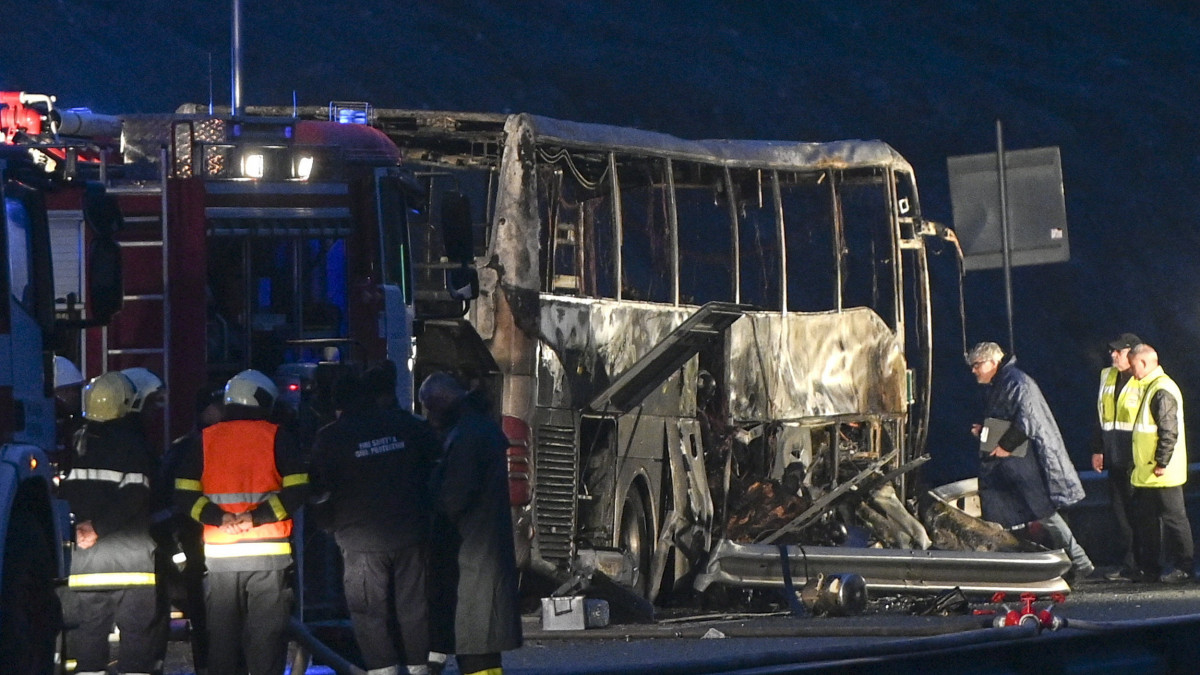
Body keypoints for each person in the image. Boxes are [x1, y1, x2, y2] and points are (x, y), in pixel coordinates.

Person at [174, 369, 309, 675]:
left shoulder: (204, 441)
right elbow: (298, 489)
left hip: (221, 560)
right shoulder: (277, 437)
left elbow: (183, 495)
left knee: (223, 642)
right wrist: (255, 517)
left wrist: (219, 518)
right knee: (266, 641)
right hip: (269, 559)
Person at [310, 363, 440, 675]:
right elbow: (436, 467)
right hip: (411, 533)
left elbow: (316, 492)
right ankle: (420, 669)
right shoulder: (408, 425)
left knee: (369, 613)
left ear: (338, 406)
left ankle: (384, 670)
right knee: (414, 607)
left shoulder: (331, 438)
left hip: (359, 539)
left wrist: (330, 526)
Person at [58, 371, 165, 675]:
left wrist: (82, 529)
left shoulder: (74, 442)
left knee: (89, 638)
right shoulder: (133, 443)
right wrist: (99, 528)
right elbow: (136, 496)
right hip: (132, 564)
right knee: (137, 640)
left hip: (88, 563)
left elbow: (63, 493)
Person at [418, 372, 522, 675]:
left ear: (442, 401)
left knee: (476, 645)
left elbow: (452, 498)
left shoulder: (466, 437)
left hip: (473, 557)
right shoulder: (476, 428)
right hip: (482, 553)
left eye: (430, 406)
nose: (429, 415)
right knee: (479, 647)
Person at [967, 341, 1096, 579]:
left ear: (993, 362)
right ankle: (1015, 567)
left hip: (1021, 461)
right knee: (1008, 516)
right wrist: (985, 431)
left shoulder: (1016, 382)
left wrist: (1006, 446)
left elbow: (1027, 418)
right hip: (1005, 462)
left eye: (977, 365)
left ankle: (1079, 561)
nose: (974, 370)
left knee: (1043, 512)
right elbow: (1005, 420)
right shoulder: (1002, 383)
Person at [1128, 344, 1194, 584]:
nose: (1132, 371)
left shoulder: (1162, 389)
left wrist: (1161, 461)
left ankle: (1184, 567)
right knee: (1147, 521)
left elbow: (1169, 430)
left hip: (1161, 471)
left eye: (1134, 365)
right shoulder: (1151, 387)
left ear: (1144, 363)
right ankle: (1151, 567)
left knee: (1174, 519)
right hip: (1148, 470)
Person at [1089, 333, 1145, 581]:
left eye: (1119, 351)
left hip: (1137, 458)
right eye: (1113, 351)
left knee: (1140, 513)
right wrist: (1098, 449)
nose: (1113, 355)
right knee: (1120, 513)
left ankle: (1144, 564)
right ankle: (1128, 564)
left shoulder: (1144, 379)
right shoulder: (1107, 376)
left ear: (1133, 354)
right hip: (1114, 456)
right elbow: (1100, 416)